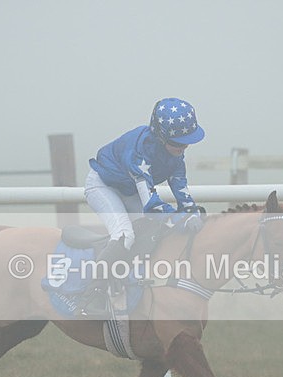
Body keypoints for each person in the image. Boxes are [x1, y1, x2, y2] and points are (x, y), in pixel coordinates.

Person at [78, 97, 206, 316]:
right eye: (178, 142)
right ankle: (92, 294)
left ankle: (130, 281)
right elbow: (151, 206)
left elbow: (182, 192)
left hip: (129, 190)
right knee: (124, 235)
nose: (183, 147)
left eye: (187, 142)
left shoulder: (176, 157)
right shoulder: (139, 152)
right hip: (103, 186)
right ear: (160, 135)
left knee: (152, 231)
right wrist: (177, 217)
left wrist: (193, 213)